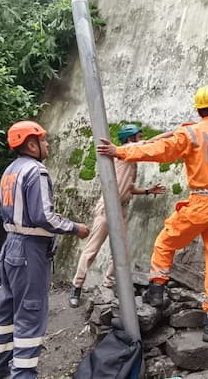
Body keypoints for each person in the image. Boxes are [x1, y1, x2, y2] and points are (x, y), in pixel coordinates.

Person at [96, 85, 208, 343]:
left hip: (202, 202)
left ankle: (156, 290)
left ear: (199, 110)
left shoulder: (191, 133)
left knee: (166, 242)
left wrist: (120, 151)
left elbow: (157, 151)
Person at [0, 120, 89, 379]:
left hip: (10, 245)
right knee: (30, 314)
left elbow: (3, 211)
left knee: (7, 311)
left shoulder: (10, 170)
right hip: (29, 251)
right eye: (43, 140)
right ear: (32, 145)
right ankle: (22, 375)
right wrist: (76, 227)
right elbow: (45, 217)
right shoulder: (37, 171)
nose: (47, 144)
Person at [69, 125, 167, 308]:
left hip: (121, 209)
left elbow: (128, 188)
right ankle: (76, 286)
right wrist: (178, 132)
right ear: (130, 140)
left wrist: (147, 191)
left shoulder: (131, 159)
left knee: (121, 252)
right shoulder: (123, 153)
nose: (142, 138)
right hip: (108, 207)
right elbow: (154, 141)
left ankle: (108, 284)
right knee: (92, 250)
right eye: (139, 136)